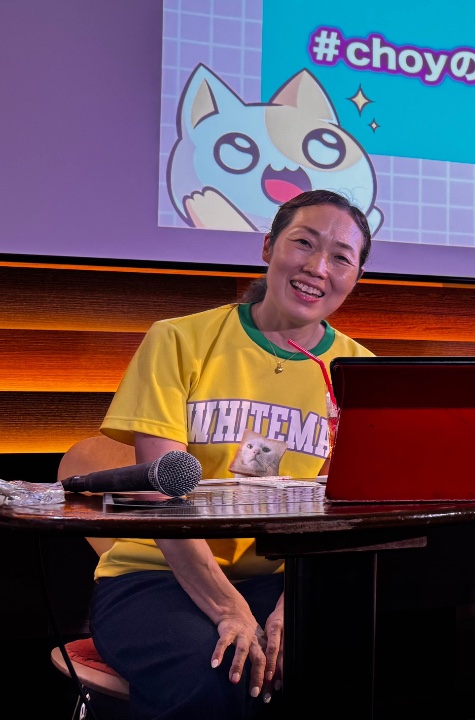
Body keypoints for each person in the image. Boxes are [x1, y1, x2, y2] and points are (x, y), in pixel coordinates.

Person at [90, 190, 375, 720]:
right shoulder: (178, 340)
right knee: (217, 672)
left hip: (283, 580)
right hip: (156, 576)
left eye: (341, 257)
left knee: (334, 666)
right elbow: (159, 498)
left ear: (355, 277)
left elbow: (343, 514)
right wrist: (229, 608)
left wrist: (293, 607)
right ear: (268, 247)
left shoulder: (359, 371)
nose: (318, 267)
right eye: (303, 243)